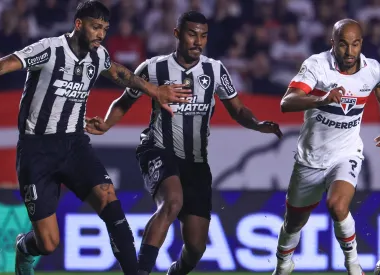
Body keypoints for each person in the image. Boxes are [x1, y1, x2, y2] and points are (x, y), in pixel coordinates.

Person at [0, 1, 191, 275]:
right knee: (48, 243)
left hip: (74, 144)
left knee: (109, 201)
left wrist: (154, 91)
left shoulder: (98, 56)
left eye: (105, 29)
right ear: (79, 24)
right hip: (38, 150)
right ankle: (24, 247)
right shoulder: (49, 50)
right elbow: (1, 64)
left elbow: (120, 73)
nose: (100, 35)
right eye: (96, 27)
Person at [85, 11, 283, 275]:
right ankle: (140, 271)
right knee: (172, 202)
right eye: (192, 34)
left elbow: (237, 109)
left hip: (196, 162)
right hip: (158, 148)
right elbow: (125, 101)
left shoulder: (215, 69)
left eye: (203, 35)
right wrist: (107, 123)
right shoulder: (153, 68)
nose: (197, 41)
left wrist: (257, 124)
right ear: (177, 34)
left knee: (196, 246)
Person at [272, 19, 380, 275]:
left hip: (347, 153)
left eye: (355, 44)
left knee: (338, 206)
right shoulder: (316, 66)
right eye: (343, 45)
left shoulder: (371, 68)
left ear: (361, 44)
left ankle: (354, 266)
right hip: (311, 158)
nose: (349, 52)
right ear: (333, 43)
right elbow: (287, 102)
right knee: (294, 223)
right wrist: (321, 99)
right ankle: (284, 265)